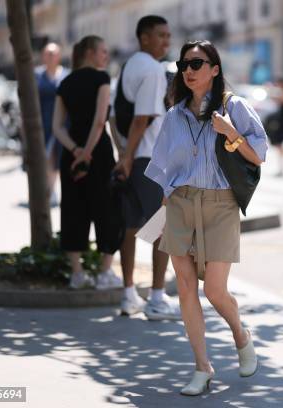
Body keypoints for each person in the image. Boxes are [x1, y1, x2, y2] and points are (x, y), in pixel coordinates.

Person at [145, 40, 268, 396]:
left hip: (220, 204)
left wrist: (230, 132)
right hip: (181, 203)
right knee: (185, 287)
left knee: (214, 289)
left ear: (214, 69)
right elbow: (162, 165)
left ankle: (241, 335)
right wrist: (168, 199)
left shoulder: (236, 106)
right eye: (184, 64)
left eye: (196, 63)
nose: (188, 70)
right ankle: (202, 366)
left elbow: (258, 154)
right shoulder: (174, 114)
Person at [109, 15, 180, 319]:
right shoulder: (152, 70)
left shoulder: (127, 67)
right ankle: (156, 298)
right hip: (151, 159)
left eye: (168, 35)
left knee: (131, 227)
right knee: (164, 230)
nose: (166, 41)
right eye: (161, 35)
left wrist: (123, 153)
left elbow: (113, 118)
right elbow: (143, 118)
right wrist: (128, 157)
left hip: (135, 158)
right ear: (144, 38)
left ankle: (128, 296)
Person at [52, 36, 123, 290]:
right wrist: (89, 152)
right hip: (99, 153)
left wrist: (76, 151)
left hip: (71, 153)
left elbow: (57, 127)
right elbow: (99, 119)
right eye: (103, 51)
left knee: (72, 208)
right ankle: (104, 273)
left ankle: (77, 273)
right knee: (107, 208)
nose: (106, 56)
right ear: (90, 53)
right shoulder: (102, 78)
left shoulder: (65, 82)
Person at [36, 42, 69, 206]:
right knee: (47, 157)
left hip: (63, 123)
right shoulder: (37, 75)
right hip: (43, 122)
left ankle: (57, 189)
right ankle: (49, 188)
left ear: (59, 56)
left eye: (53, 53)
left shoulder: (66, 75)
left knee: (60, 157)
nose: (50, 57)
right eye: (47, 53)